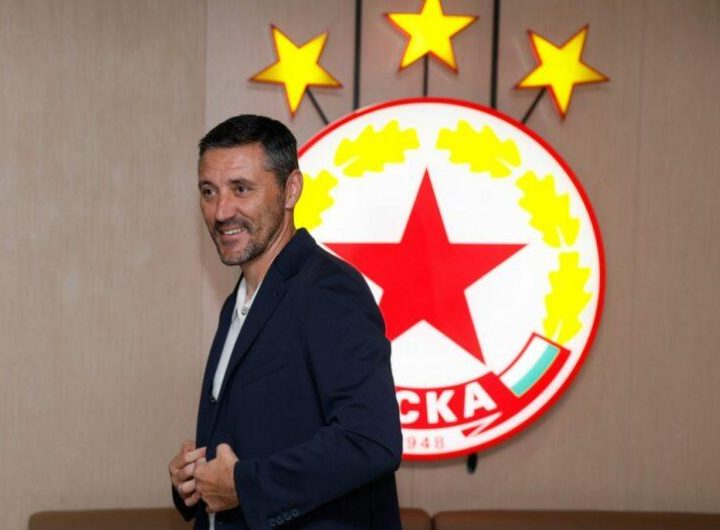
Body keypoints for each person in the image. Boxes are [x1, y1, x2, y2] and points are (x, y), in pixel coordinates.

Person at [168, 114, 403, 530]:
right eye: (209, 191)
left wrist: (245, 485)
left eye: (241, 188)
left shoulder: (330, 290)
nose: (221, 211)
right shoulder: (237, 302)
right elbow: (251, 442)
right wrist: (195, 480)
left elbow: (370, 440)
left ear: (291, 189)